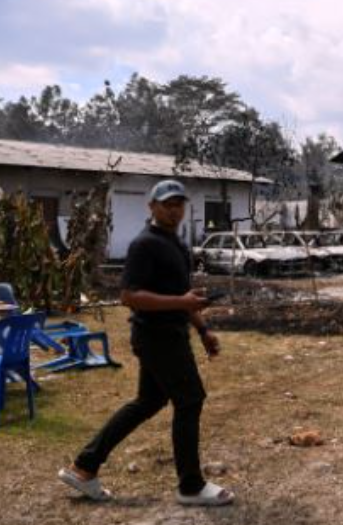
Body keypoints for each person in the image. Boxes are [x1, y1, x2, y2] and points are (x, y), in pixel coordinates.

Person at [58, 179, 234, 506]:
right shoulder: (145, 244)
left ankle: (84, 467)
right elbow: (129, 296)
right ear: (151, 206)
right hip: (156, 336)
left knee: (149, 401)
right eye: (167, 204)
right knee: (190, 399)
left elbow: (185, 295)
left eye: (179, 203)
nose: (174, 209)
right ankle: (191, 486)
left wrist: (203, 329)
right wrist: (182, 304)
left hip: (171, 334)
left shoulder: (178, 244)